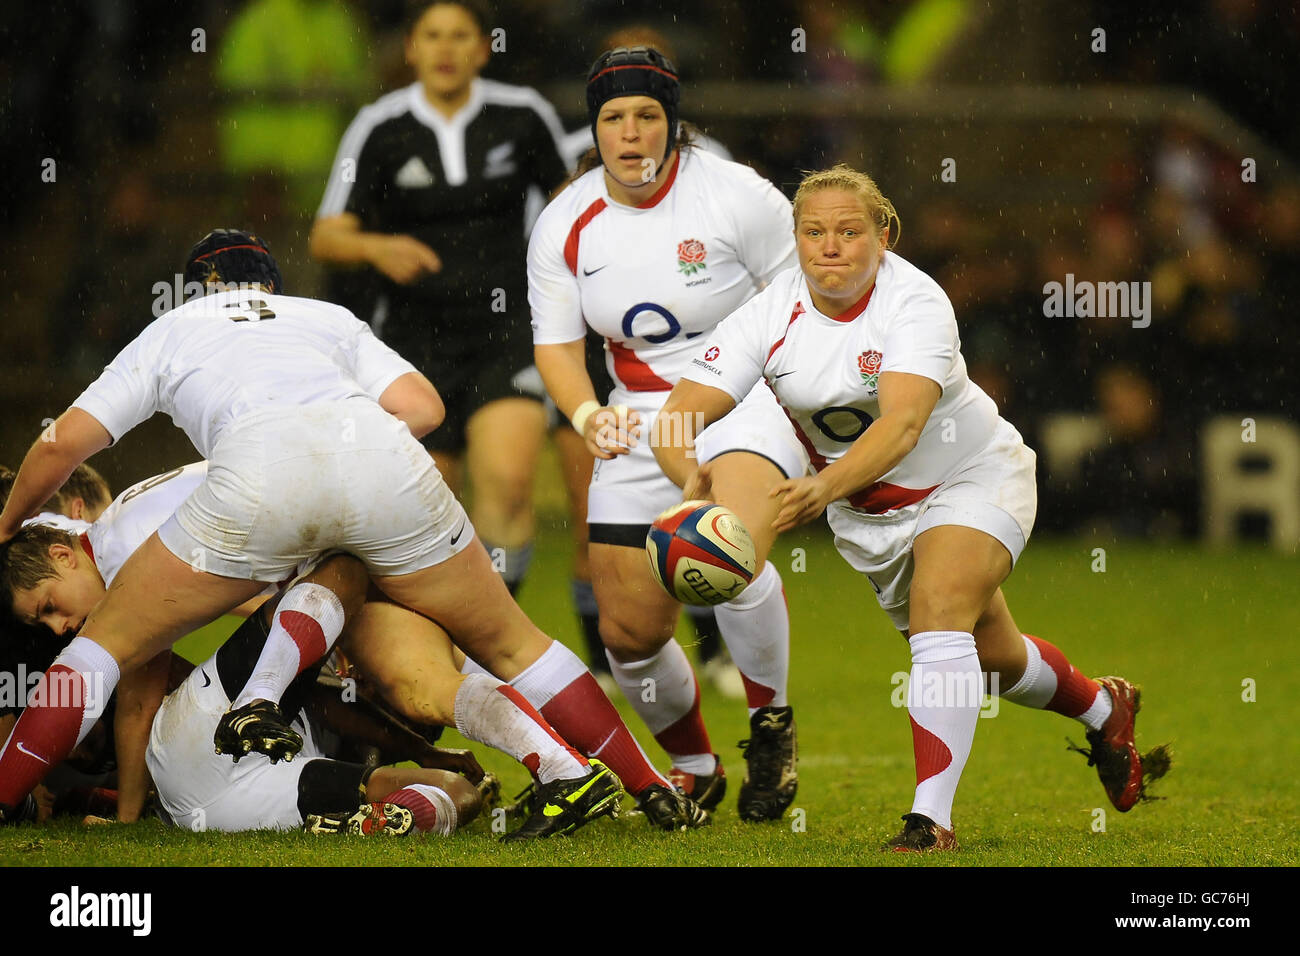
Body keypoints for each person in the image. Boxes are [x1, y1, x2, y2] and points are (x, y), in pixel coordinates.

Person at [0, 228, 705, 838]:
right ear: (272, 286)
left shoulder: (177, 328)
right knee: (509, 644)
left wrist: (6, 523)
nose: (57, 621)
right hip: (384, 464)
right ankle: (647, 784)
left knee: (98, 654)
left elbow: (62, 447)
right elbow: (424, 410)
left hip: (261, 485)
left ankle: (14, 795)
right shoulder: (323, 315)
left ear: (196, 293)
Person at [655, 164, 1171, 850]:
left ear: (884, 235)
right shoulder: (770, 310)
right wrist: (689, 479)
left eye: (848, 230)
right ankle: (1106, 708)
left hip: (972, 475)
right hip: (875, 517)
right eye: (813, 231)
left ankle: (931, 820)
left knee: (940, 608)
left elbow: (900, 427)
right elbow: (675, 418)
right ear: (797, 238)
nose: (829, 246)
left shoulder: (916, 303)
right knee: (992, 659)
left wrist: (822, 487)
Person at [529, 46, 807, 822]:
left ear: (672, 125)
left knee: (731, 550)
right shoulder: (565, 219)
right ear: (595, 130)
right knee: (627, 634)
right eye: (614, 117)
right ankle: (694, 764)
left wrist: (797, 405)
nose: (630, 133)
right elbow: (554, 345)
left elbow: (801, 302)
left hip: (744, 400)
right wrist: (590, 417)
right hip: (640, 413)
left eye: (647, 115)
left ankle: (770, 725)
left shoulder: (737, 195)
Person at [310, 0, 569, 599]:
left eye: (460, 37)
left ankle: (494, 640)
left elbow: (575, 211)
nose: (446, 49)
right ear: (411, 49)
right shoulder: (379, 126)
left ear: (483, 49)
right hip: (412, 338)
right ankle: (434, 648)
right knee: (428, 499)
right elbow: (326, 235)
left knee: (506, 483)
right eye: (432, 36)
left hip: (508, 331)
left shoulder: (523, 116)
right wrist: (378, 247)